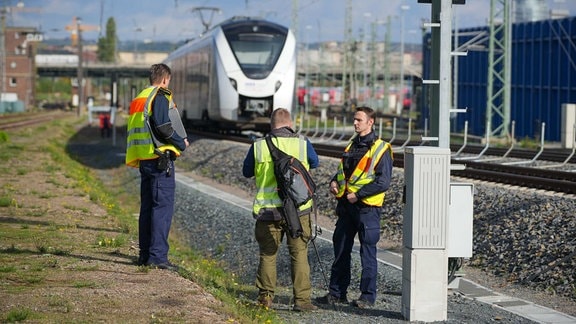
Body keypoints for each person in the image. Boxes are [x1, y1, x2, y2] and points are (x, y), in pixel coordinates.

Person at [242, 108, 319, 312]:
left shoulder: (258, 146)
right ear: (290, 123)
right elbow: (315, 163)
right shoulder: (302, 143)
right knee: (299, 254)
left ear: (271, 124)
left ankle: (265, 299)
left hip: (268, 211)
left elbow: (246, 171)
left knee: (268, 254)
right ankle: (301, 301)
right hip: (298, 210)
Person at [316, 106, 393, 309]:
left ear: (371, 122)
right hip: (346, 207)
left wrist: (358, 194)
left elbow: (383, 182)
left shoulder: (381, 149)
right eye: (354, 119)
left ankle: (367, 297)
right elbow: (344, 173)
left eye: (359, 120)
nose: (355, 123)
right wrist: (334, 182)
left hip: (367, 209)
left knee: (367, 253)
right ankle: (337, 293)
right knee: (341, 250)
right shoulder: (351, 145)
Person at [125, 63, 189, 271]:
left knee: (148, 208)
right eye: (168, 80)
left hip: (144, 159)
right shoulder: (160, 95)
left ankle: (145, 255)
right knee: (162, 209)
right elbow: (162, 125)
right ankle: (158, 257)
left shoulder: (139, 98)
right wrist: (180, 142)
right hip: (159, 160)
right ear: (164, 79)